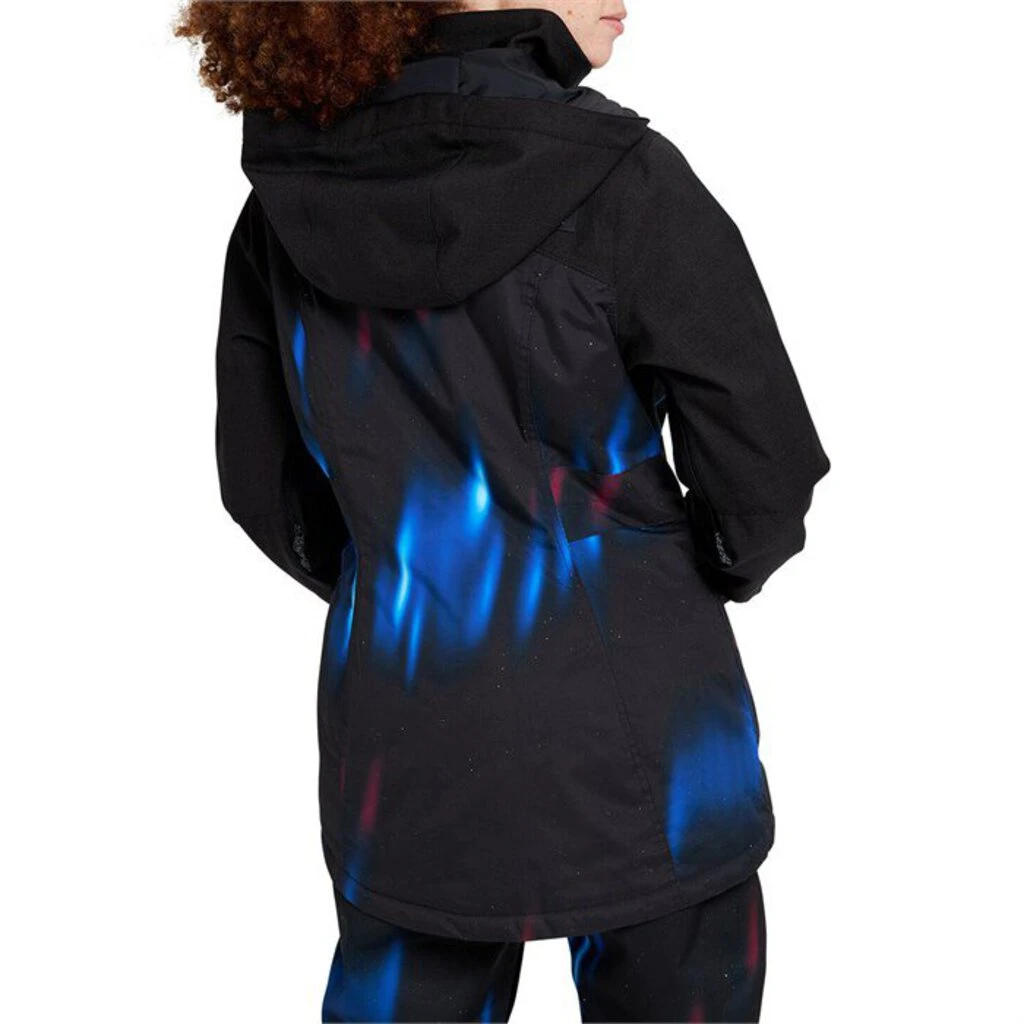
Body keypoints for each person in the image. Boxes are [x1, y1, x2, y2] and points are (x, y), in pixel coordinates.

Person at [177, 2, 831, 1020]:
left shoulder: (287, 208)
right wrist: (687, 569)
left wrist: (402, 576)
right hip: (650, 750)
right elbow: (765, 471)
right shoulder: (621, 179)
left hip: (403, 740)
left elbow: (263, 486)